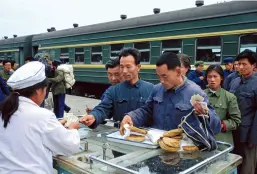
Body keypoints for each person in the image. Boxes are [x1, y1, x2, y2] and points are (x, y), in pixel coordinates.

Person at [0, 61, 80, 174]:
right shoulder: (42, 116)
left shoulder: (5, 110)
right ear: (39, 90)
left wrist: (56, 125)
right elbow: (69, 146)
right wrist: (73, 129)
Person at [119, 52, 221, 136]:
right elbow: (147, 110)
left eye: (165, 76)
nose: (161, 81)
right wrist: (131, 117)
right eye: (159, 76)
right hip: (158, 145)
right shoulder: (157, 89)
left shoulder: (196, 93)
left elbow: (215, 127)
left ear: (178, 71)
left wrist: (206, 115)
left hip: (182, 151)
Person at [80, 48, 154, 128]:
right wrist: (94, 116)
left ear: (138, 67)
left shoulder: (151, 89)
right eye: (122, 67)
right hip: (119, 135)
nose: (124, 71)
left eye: (128, 67)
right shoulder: (113, 90)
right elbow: (103, 108)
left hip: (144, 136)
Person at [229, 49, 257, 174]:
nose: (240, 67)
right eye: (239, 64)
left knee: (247, 166)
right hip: (233, 131)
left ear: (253, 65)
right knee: (233, 163)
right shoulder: (234, 82)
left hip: (248, 134)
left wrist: (254, 138)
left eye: (244, 64)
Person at [204, 65, 241, 145]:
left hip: (222, 142)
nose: (212, 79)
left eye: (215, 76)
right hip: (203, 140)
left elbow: (236, 121)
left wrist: (220, 125)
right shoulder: (200, 95)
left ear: (221, 78)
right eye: (209, 77)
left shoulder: (229, 97)